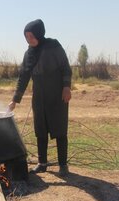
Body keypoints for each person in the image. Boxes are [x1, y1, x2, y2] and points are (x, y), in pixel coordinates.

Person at [8, 19, 72, 176]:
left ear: (39, 33)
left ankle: (63, 165)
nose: (28, 39)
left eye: (31, 36)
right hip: (39, 98)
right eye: (26, 37)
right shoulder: (28, 54)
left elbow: (65, 67)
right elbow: (23, 76)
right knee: (40, 130)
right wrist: (15, 99)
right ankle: (42, 163)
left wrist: (66, 87)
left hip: (57, 96)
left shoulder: (53, 46)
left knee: (60, 129)